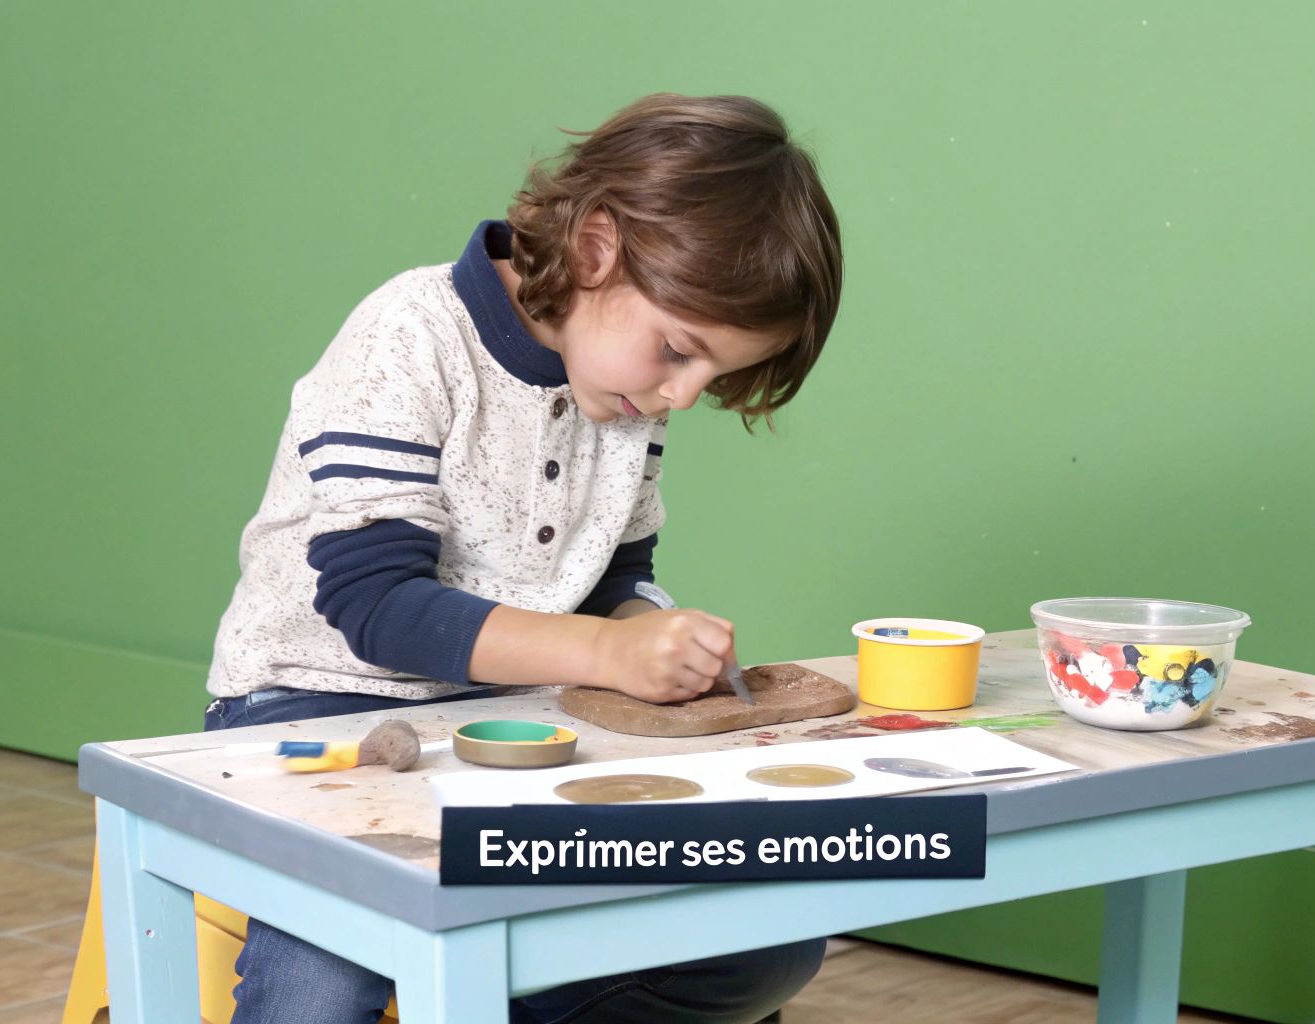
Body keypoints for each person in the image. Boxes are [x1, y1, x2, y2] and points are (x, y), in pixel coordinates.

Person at [203, 93, 843, 1023]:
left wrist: (649, 634)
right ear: (594, 250)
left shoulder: (626, 390)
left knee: (762, 941)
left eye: (716, 376)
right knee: (327, 971)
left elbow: (614, 579)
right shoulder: (410, 336)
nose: (685, 396)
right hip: (317, 701)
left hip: (514, 715)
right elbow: (378, 606)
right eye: (678, 352)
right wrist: (605, 654)